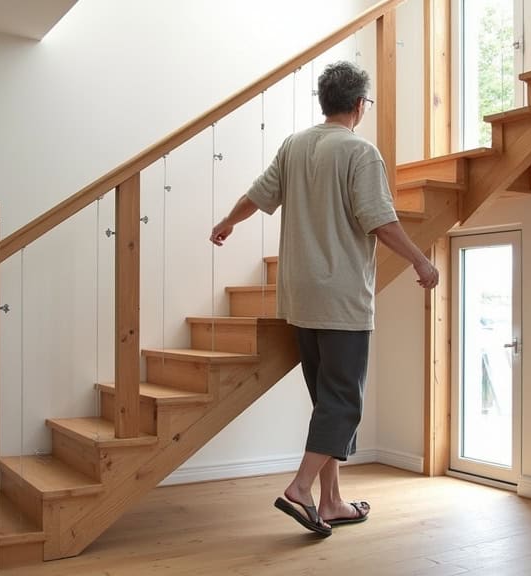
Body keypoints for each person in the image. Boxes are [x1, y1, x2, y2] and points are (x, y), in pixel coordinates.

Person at [210, 61, 439, 537]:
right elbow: (378, 218)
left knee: (325, 402)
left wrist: (229, 221)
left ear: (325, 102)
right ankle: (300, 488)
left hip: (297, 297)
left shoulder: (294, 146)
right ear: (359, 105)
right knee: (343, 403)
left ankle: (332, 501)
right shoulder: (361, 152)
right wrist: (420, 260)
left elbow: (257, 195)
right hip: (341, 300)